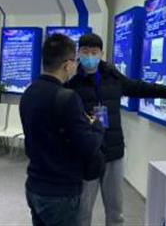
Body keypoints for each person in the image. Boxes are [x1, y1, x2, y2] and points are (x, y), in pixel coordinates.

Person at [67, 33, 166, 226]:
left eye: (94, 52)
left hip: (113, 152)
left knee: (116, 211)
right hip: (86, 155)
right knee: (82, 211)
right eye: (85, 51)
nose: (89, 56)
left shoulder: (112, 76)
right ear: (78, 53)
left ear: (101, 54)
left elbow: (137, 87)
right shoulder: (72, 84)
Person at [19, 34, 104, 226]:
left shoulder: (29, 92)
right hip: (60, 191)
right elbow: (89, 145)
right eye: (75, 60)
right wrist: (98, 124)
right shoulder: (68, 98)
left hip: (34, 185)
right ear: (67, 65)